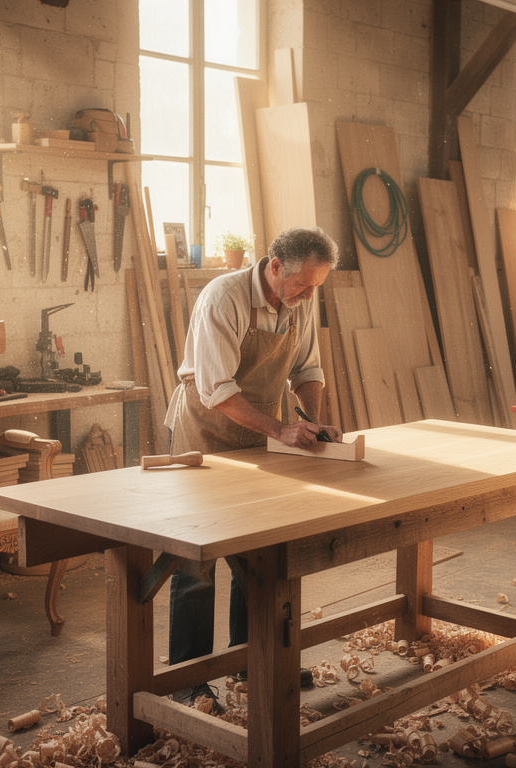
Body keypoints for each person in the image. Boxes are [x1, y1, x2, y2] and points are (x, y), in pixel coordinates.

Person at [163, 226, 341, 703]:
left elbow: (308, 370)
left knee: (257, 552)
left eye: (315, 287)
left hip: (258, 435)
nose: (307, 296)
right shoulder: (224, 298)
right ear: (275, 266)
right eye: (302, 284)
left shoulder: (299, 302)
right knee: (196, 562)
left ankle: (248, 663)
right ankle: (188, 680)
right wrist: (281, 429)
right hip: (205, 434)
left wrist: (311, 420)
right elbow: (216, 390)